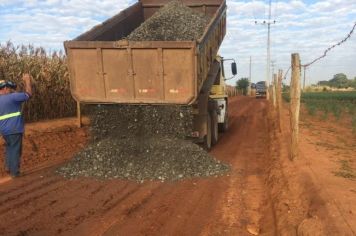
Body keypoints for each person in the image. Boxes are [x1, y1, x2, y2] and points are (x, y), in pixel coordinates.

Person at [0, 73, 32, 179]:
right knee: (15, 150)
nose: (11, 90)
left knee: (10, 148)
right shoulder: (12, 97)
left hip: (4, 130)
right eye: (9, 88)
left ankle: (9, 167)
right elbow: (28, 95)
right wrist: (27, 81)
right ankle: (15, 172)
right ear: (4, 88)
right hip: (14, 129)